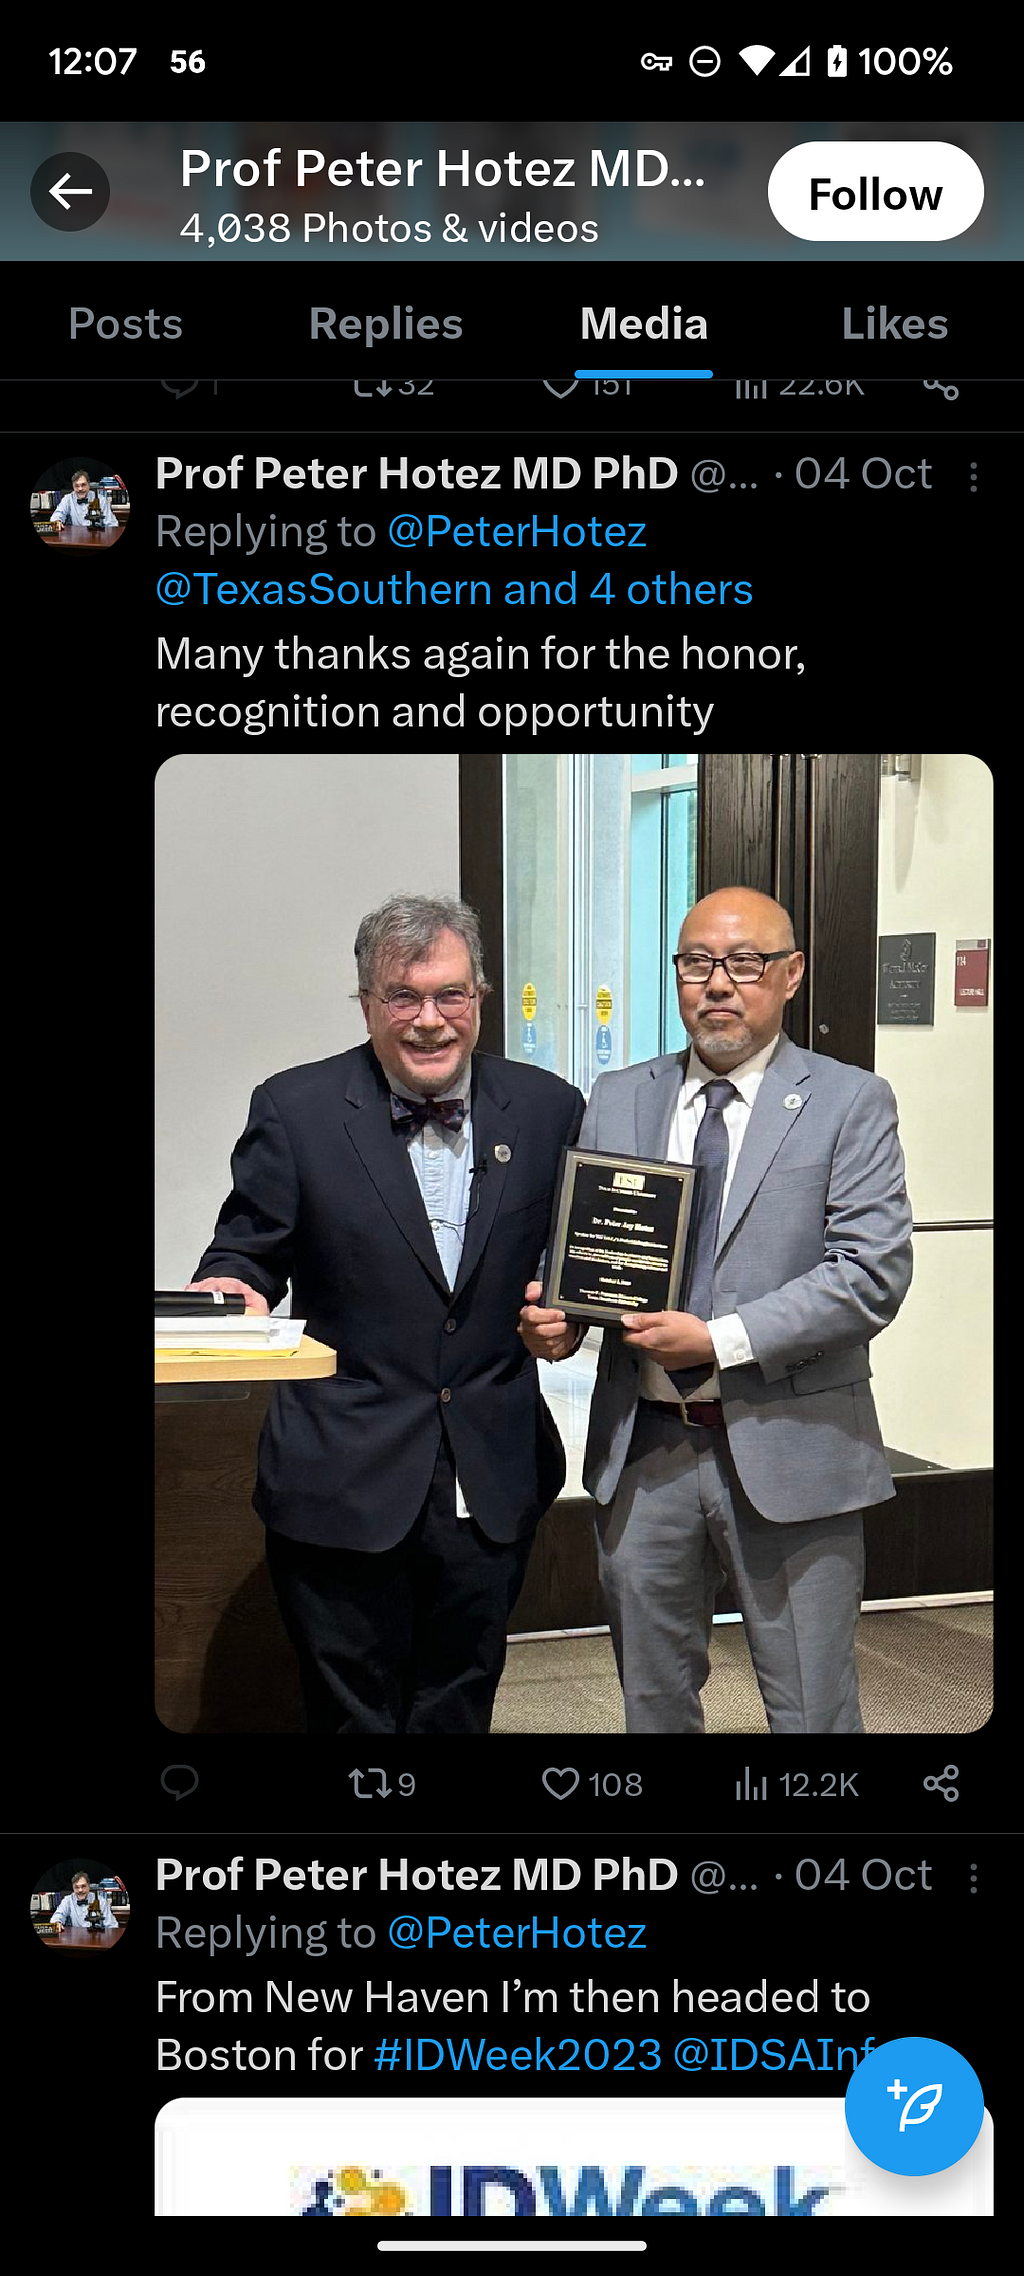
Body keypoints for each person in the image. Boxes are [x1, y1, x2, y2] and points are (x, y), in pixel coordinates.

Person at [520, 885, 913, 1736]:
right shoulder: (620, 1095)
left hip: (793, 1450)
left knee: (811, 1708)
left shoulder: (850, 1101)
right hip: (646, 1450)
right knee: (651, 1704)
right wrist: (562, 1320)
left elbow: (870, 1273)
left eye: (745, 962)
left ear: (792, 974)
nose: (718, 984)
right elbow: (591, 1255)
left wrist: (720, 1340)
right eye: (697, 962)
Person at [190, 893, 584, 1735]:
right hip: (342, 1475)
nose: (430, 1021)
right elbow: (247, 1249)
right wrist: (233, 1289)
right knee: (350, 1716)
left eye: (451, 995)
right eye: (404, 997)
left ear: (479, 994)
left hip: (490, 1472)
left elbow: (565, 1266)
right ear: (368, 1002)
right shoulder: (296, 1111)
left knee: (459, 1700)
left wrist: (570, 1319)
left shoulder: (550, 1108)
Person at [50, 1872, 116, 1931]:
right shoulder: (67, 1900)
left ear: (88, 1886)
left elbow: (112, 1925)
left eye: (83, 1886)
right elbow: (58, 1915)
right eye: (77, 1887)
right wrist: (57, 1922)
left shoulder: (101, 1901)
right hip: (75, 1940)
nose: (80, 1890)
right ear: (73, 1888)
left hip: (97, 1940)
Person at [49, 470, 117, 527]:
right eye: (77, 486)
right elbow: (57, 515)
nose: (80, 489)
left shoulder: (101, 500)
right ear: (73, 486)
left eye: (83, 485)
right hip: (75, 539)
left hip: (97, 538)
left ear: (89, 484)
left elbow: (112, 524)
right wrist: (57, 521)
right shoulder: (67, 499)